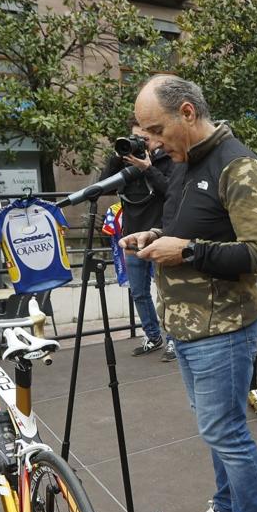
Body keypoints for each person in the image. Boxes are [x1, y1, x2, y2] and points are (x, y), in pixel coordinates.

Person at [121, 75, 257, 512]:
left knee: (227, 432)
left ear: (187, 113)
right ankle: (228, 511)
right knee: (217, 428)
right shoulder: (185, 164)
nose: (151, 142)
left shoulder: (240, 167)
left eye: (156, 129)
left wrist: (186, 251)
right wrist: (154, 237)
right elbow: (190, 228)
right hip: (187, 327)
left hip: (224, 329)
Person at [97, 120, 175, 360]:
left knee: (166, 292)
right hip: (130, 236)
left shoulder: (167, 160)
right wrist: (117, 157)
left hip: (159, 234)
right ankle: (153, 336)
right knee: (138, 292)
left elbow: (172, 190)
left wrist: (147, 168)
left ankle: (174, 340)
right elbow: (102, 186)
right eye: (134, 138)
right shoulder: (124, 165)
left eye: (143, 139)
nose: (139, 143)